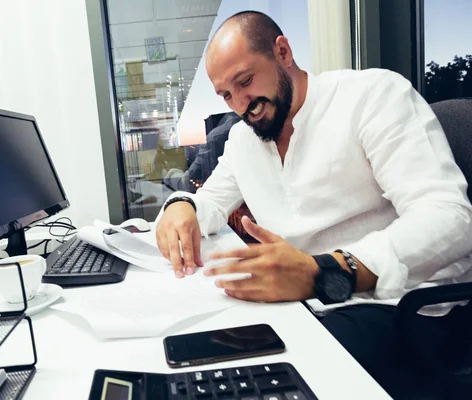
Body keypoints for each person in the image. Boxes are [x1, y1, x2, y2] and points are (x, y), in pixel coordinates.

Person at [155, 10, 472, 399]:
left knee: (257, 377)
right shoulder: (244, 140)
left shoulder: (372, 96)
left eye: (245, 81)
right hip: (308, 301)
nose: (241, 104)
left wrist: (323, 271)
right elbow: (208, 202)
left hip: (401, 307)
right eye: (225, 95)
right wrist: (180, 207)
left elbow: (450, 218)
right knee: (203, 355)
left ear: (283, 52)